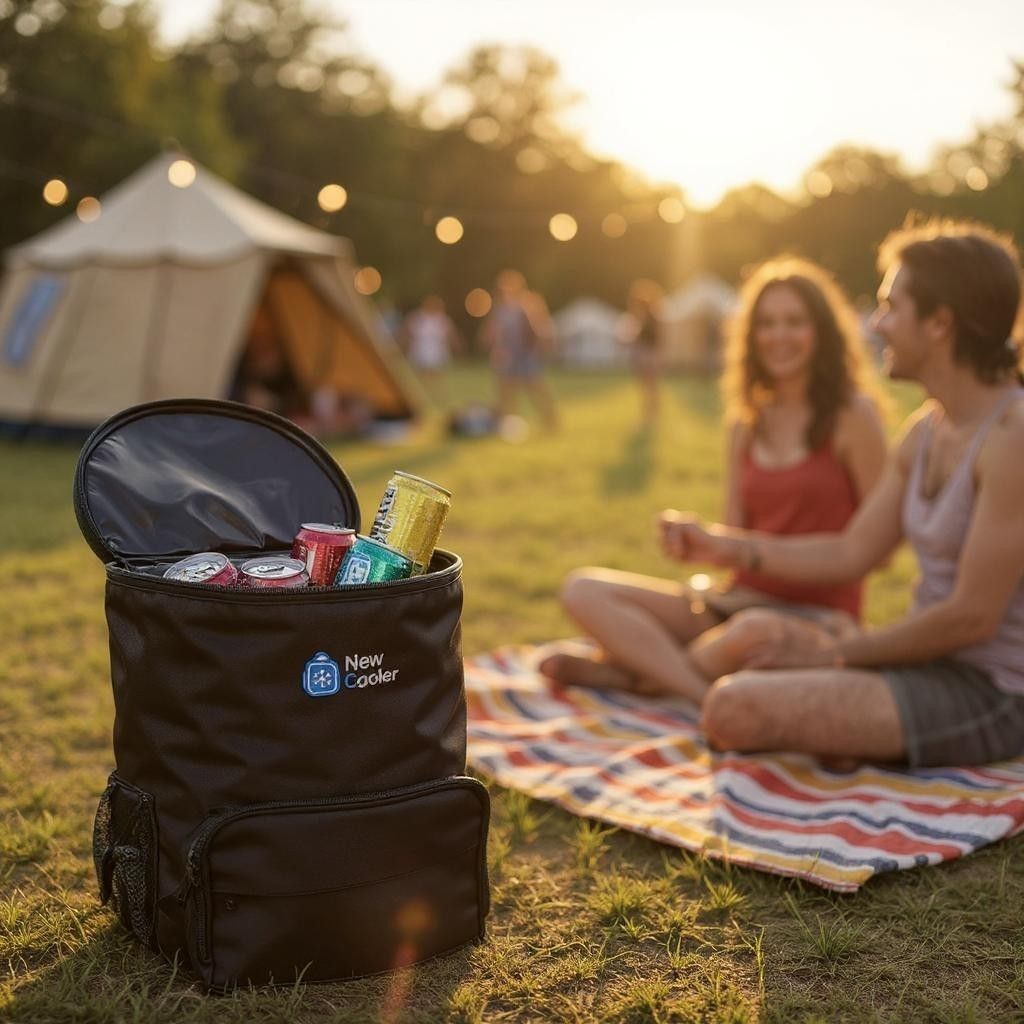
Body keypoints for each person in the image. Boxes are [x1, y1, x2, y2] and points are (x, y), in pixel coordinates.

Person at [661, 220, 1024, 768]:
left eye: (890, 307)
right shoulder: (927, 431)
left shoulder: (1012, 436)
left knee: (733, 709)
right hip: (929, 663)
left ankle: (637, 673)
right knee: (752, 658)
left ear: (940, 324)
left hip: (995, 693)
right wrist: (725, 547)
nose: (877, 324)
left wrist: (833, 654)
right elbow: (851, 550)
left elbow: (971, 619)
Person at [539, 257, 888, 702]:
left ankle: (640, 674)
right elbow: (732, 548)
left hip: (814, 617)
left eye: (794, 322)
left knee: (749, 634)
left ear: (822, 331)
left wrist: (742, 551)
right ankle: (699, 694)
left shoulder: (853, 416)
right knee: (583, 589)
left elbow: (877, 551)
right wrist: (700, 539)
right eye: (766, 323)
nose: (779, 335)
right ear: (750, 335)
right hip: (733, 603)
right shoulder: (746, 423)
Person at [482, 269, 558, 430]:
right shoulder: (500, 308)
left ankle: (550, 419)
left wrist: (542, 347)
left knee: (535, 387)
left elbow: (537, 329)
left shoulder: (528, 303)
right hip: (508, 355)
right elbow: (494, 331)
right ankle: (505, 423)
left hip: (526, 354)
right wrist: (494, 347)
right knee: (506, 390)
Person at [618, 279, 665, 426]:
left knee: (649, 386)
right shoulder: (650, 315)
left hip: (648, 354)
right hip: (648, 353)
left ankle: (651, 415)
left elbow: (645, 336)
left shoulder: (649, 316)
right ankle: (649, 414)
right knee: (648, 386)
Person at [401, 295, 461, 405]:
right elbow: (406, 332)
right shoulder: (417, 318)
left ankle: (438, 397)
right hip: (421, 350)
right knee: (422, 375)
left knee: (437, 375)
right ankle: (422, 397)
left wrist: (456, 347)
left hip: (437, 351)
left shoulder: (442, 319)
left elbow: (451, 334)